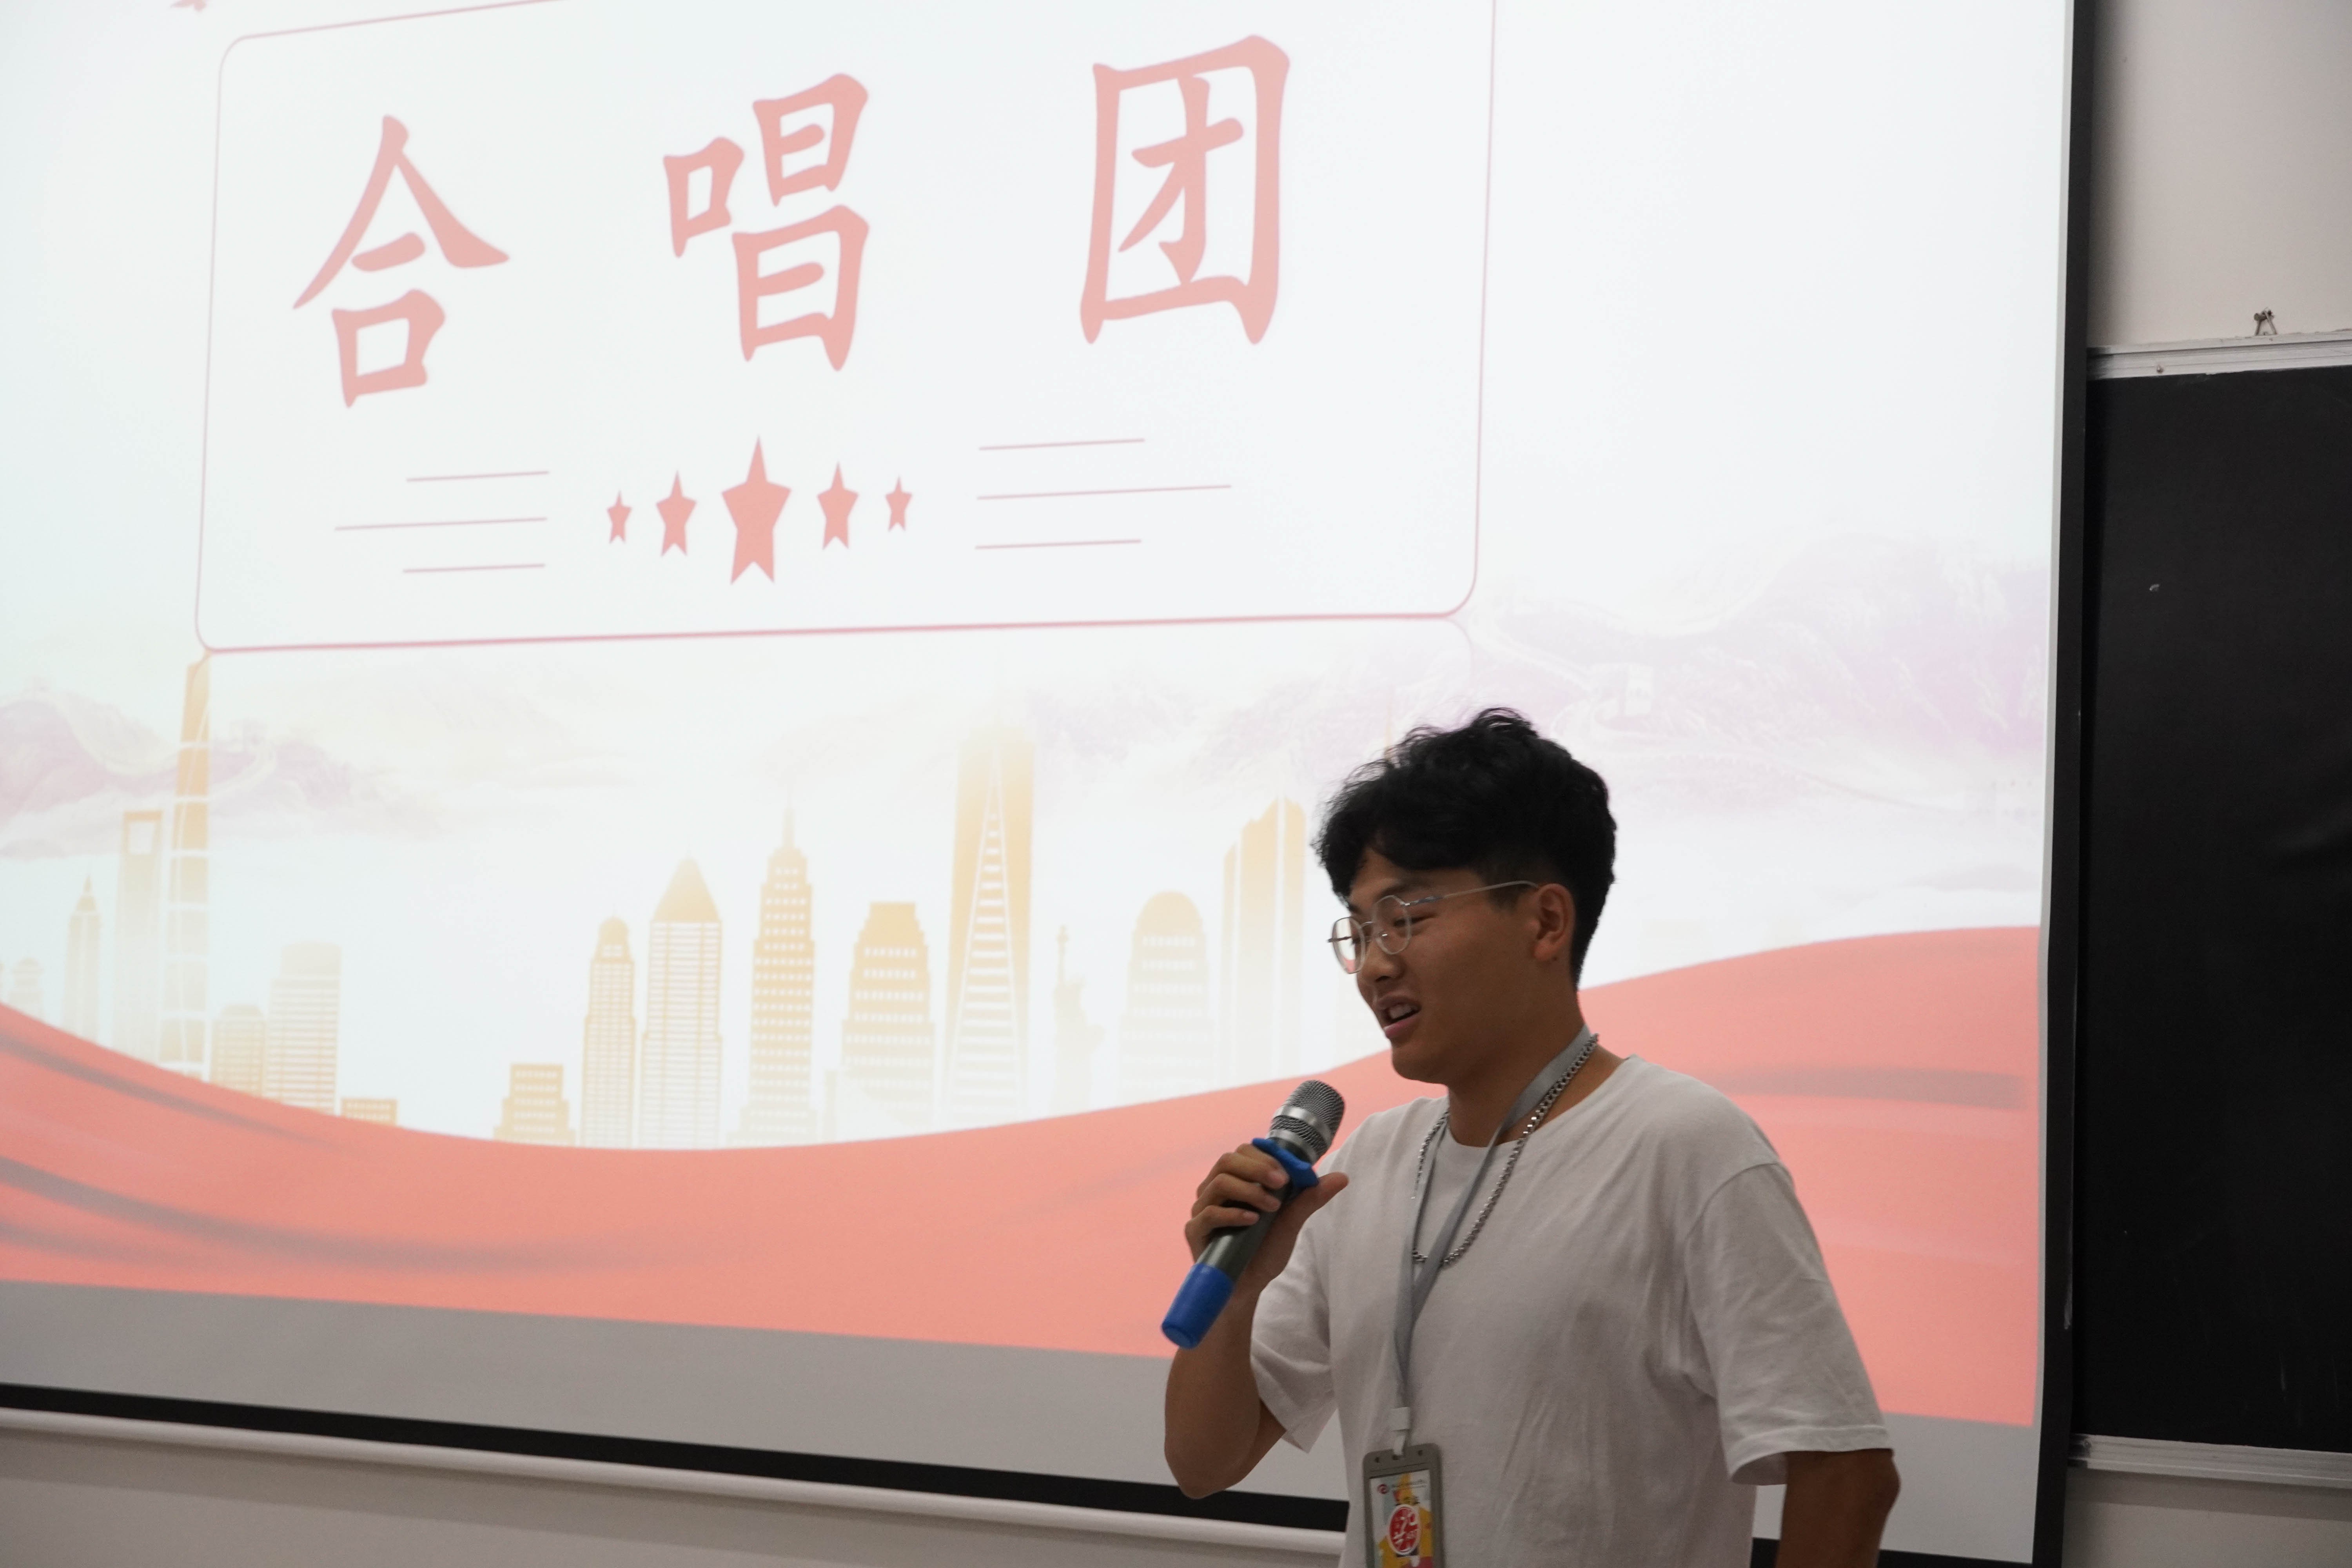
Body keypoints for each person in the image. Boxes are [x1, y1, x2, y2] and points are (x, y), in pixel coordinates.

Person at [1164, 710, 1898, 1566]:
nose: (1376, 964)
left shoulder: (1687, 1148)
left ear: (1546, 922)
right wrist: (1239, 1292)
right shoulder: (1363, 1165)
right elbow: (1203, 1463)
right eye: (1360, 931)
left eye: (1404, 918)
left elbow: (1846, 1472)